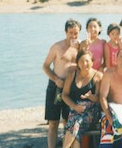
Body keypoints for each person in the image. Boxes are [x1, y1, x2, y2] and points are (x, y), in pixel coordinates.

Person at [42, 19, 82, 148]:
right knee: (53, 122)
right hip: (56, 86)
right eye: (71, 33)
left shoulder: (80, 47)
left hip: (71, 88)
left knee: (67, 121)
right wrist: (55, 79)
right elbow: (45, 66)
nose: (73, 36)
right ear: (66, 32)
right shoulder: (57, 47)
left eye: (76, 33)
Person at [62, 50, 102, 148]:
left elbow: (99, 98)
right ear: (77, 63)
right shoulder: (72, 75)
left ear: (92, 62)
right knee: (76, 133)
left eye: (87, 61)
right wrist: (74, 106)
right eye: (81, 61)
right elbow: (64, 95)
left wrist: (91, 97)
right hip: (75, 110)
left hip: (91, 111)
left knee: (75, 123)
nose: (84, 64)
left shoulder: (98, 76)